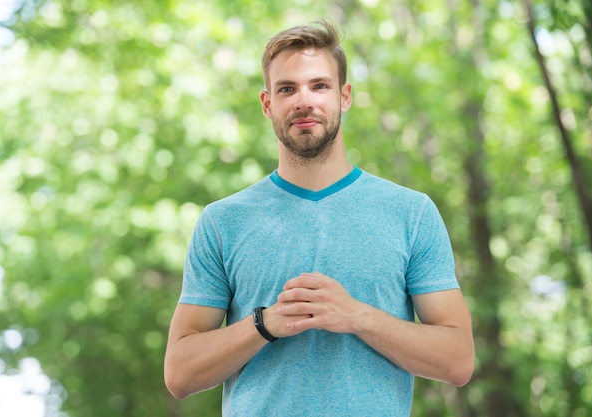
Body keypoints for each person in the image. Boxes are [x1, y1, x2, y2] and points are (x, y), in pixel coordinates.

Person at [164, 19, 475, 417]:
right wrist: (265, 324)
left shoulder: (410, 213)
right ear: (267, 104)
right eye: (287, 89)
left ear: (344, 97)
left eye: (319, 85)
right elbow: (179, 374)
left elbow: (459, 361)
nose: (303, 101)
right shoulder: (223, 221)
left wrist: (358, 316)